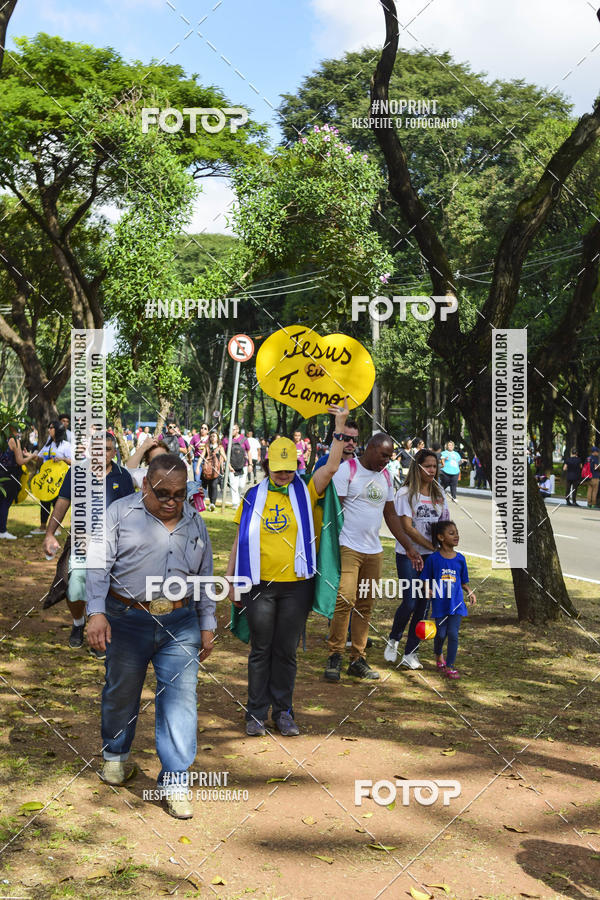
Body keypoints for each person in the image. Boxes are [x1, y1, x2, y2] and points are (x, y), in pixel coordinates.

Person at [86, 454, 215, 819]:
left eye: (180, 493)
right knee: (121, 691)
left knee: (180, 700)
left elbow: (205, 575)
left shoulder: (196, 521)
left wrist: (207, 622)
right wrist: (96, 613)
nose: (172, 501)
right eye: (163, 493)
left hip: (181, 622)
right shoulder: (118, 514)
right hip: (127, 618)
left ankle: (175, 781)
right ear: (145, 484)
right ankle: (116, 757)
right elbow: (97, 565)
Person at [226, 402, 350, 737]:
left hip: (297, 586)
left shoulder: (307, 490)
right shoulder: (253, 495)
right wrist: (231, 579)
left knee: (286, 651)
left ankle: (283, 712)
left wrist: (339, 425)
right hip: (258, 584)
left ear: (297, 466)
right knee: (261, 650)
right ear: (267, 465)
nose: (284, 475)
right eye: (278, 469)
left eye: (289, 469)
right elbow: (239, 539)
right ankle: (255, 713)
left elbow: (332, 466)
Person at [324, 432, 423, 684]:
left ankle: (357, 659)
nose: (387, 461)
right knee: (345, 599)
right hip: (348, 547)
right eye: (383, 455)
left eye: (390, 457)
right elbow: (334, 511)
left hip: (373, 551)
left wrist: (408, 546)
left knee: (365, 605)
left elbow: (390, 515)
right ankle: (335, 655)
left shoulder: (385, 476)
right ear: (370, 448)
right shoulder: (348, 470)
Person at [43, 432, 134, 652]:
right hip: (82, 540)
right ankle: (78, 622)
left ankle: (100, 634)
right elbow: (62, 503)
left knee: (109, 591)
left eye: (107, 449)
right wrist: (50, 533)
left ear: (114, 452)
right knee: (75, 589)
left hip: (113, 543)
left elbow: (130, 510)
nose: (102, 454)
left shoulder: (123, 476)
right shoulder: (76, 472)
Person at [384, 448, 450, 669]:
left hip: (431, 558)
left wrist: (444, 547)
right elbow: (407, 527)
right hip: (408, 554)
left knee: (424, 606)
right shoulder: (406, 493)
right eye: (427, 466)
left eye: (435, 466)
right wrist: (430, 546)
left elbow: (445, 523)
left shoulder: (439, 493)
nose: (432, 470)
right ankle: (394, 638)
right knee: (410, 601)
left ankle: (411, 652)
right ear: (417, 467)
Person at [423, 520, 476, 680]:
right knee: (440, 634)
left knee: (453, 634)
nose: (456, 536)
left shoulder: (460, 559)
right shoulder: (433, 559)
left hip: (456, 603)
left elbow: (463, 581)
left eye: (457, 533)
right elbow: (426, 577)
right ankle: (438, 654)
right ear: (441, 537)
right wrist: (428, 588)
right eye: (451, 533)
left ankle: (450, 666)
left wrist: (469, 591)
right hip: (440, 603)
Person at [31, 421, 72, 534]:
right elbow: (39, 458)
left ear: (58, 430)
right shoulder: (48, 445)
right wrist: (29, 456)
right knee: (44, 502)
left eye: (51, 428)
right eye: (49, 427)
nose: (49, 430)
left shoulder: (66, 445)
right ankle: (42, 527)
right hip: (46, 479)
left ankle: (56, 528)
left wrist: (62, 459)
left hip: (59, 480)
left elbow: (73, 462)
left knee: (57, 504)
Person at [0, 421, 34, 539]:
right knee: (5, 502)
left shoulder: (2, 439)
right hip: (10, 474)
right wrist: (31, 456)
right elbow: (20, 461)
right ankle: (2, 530)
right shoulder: (14, 440)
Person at [222, 424, 250, 507]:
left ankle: (238, 498)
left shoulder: (244, 439)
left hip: (243, 465)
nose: (231, 431)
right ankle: (235, 503)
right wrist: (226, 465)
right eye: (230, 429)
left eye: (233, 429)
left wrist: (250, 464)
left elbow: (249, 451)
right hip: (231, 466)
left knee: (241, 485)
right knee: (233, 485)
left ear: (238, 430)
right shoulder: (226, 440)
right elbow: (223, 452)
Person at [201, 433, 226, 510]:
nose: (212, 438)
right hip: (208, 470)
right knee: (209, 486)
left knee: (214, 485)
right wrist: (198, 467)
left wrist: (229, 467)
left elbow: (224, 458)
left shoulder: (220, 447)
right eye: (211, 436)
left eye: (214, 436)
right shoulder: (207, 447)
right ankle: (210, 502)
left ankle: (213, 503)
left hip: (216, 470)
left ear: (217, 438)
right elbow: (202, 456)